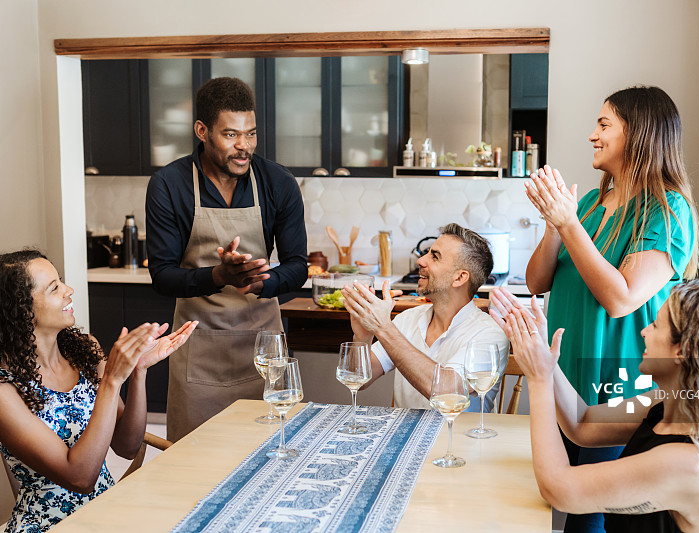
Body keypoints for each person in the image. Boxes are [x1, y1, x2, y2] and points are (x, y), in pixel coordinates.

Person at [524, 86, 699, 531]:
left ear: (638, 135)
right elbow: (536, 281)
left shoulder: (667, 210)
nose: (592, 135)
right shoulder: (587, 204)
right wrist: (554, 227)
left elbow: (621, 297)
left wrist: (568, 224)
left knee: (587, 520)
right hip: (564, 384)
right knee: (539, 508)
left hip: (616, 390)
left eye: (604, 125)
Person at [489, 282, 699, 533]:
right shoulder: (666, 402)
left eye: (656, 324)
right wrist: (542, 354)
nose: (644, 331)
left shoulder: (690, 462)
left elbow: (559, 490)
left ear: (682, 351)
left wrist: (539, 380)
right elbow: (582, 424)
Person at [145, 77, 308, 441]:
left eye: (250, 134)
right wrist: (218, 276)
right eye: (231, 135)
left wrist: (262, 282)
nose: (243, 147)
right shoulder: (170, 184)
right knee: (193, 462)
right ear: (202, 131)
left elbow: (299, 266)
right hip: (198, 351)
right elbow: (162, 276)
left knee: (270, 457)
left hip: (264, 349)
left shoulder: (277, 182)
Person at [0, 250, 196, 532]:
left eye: (62, 281)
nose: (69, 291)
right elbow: (79, 479)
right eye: (54, 288)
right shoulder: (5, 389)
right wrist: (112, 380)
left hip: (108, 511)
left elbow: (127, 447)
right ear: (21, 309)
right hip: (49, 524)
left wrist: (137, 371)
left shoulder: (82, 351)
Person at [342, 223, 508, 410]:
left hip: (458, 438)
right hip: (405, 436)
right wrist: (363, 336)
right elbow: (359, 379)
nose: (421, 261)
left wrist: (383, 327)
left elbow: (446, 392)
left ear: (460, 278)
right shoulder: (408, 319)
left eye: (435, 257)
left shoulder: (490, 334)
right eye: (427, 253)